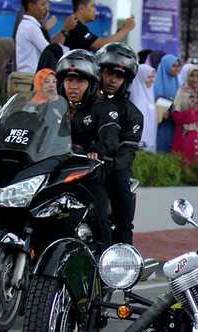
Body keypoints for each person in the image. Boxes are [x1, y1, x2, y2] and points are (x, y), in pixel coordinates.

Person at [56, 49, 120, 249]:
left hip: (87, 174)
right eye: (69, 81)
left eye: (79, 82)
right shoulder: (54, 108)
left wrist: (97, 149)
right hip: (55, 172)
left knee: (99, 215)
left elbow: (109, 136)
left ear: (91, 84)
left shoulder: (103, 109)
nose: (73, 86)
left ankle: (105, 263)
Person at [96, 43, 143, 246]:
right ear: (99, 72)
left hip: (111, 168)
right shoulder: (85, 104)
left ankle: (122, 256)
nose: (113, 80)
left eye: (119, 76)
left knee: (122, 194)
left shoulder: (132, 114)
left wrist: (110, 164)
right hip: (80, 165)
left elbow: (127, 152)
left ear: (126, 80)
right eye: (108, 73)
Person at [15, 0, 74, 74]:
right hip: (30, 77)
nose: (46, 9)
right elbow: (50, 52)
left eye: (47, 5)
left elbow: (49, 47)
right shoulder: (30, 26)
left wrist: (45, 29)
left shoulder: (32, 25)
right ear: (31, 6)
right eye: (43, 5)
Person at [171, 64, 198, 165]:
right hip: (186, 135)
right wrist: (191, 115)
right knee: (185, 163)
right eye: (192, 76)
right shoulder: (182, 92)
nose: (195, 79)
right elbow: (175, 115)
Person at [64, 0, 135, 51]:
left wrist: (120, 31)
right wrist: (125, 29)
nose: (95, 10)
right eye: (93, 6)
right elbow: (100, 45)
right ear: (81, 8)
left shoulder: (79, 27)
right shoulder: (77, 27)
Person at [154, 54, 180, 153]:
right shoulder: (156, 83)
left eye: (178, 66)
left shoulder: (178, 82)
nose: (176, 69)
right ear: (166, 66)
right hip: (161, 124)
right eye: (173, 66)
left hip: (174, 123)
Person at [129, 63, 157, 152]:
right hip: (139, 140)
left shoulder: (150, 94)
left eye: (153, 77)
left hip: (151, 139)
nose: (152, 80)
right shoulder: (136, 98)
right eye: (149, 77)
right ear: (141, 77)